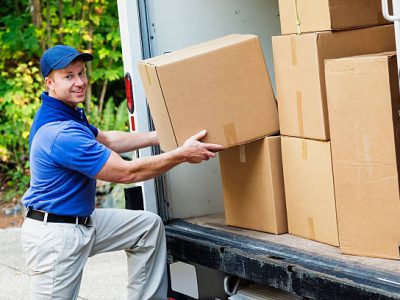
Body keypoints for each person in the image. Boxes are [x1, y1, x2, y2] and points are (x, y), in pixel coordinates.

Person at [20, 45, 223, 300]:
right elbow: (127, 173)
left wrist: (159, 137)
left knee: (146, 227)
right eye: (69, 76)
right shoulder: (60, 134)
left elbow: (109, 140)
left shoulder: (66, 114)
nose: (80, 82)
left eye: (81, 73)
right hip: (55, 236)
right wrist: (182, 154)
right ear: (50, 82)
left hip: (82, 221)